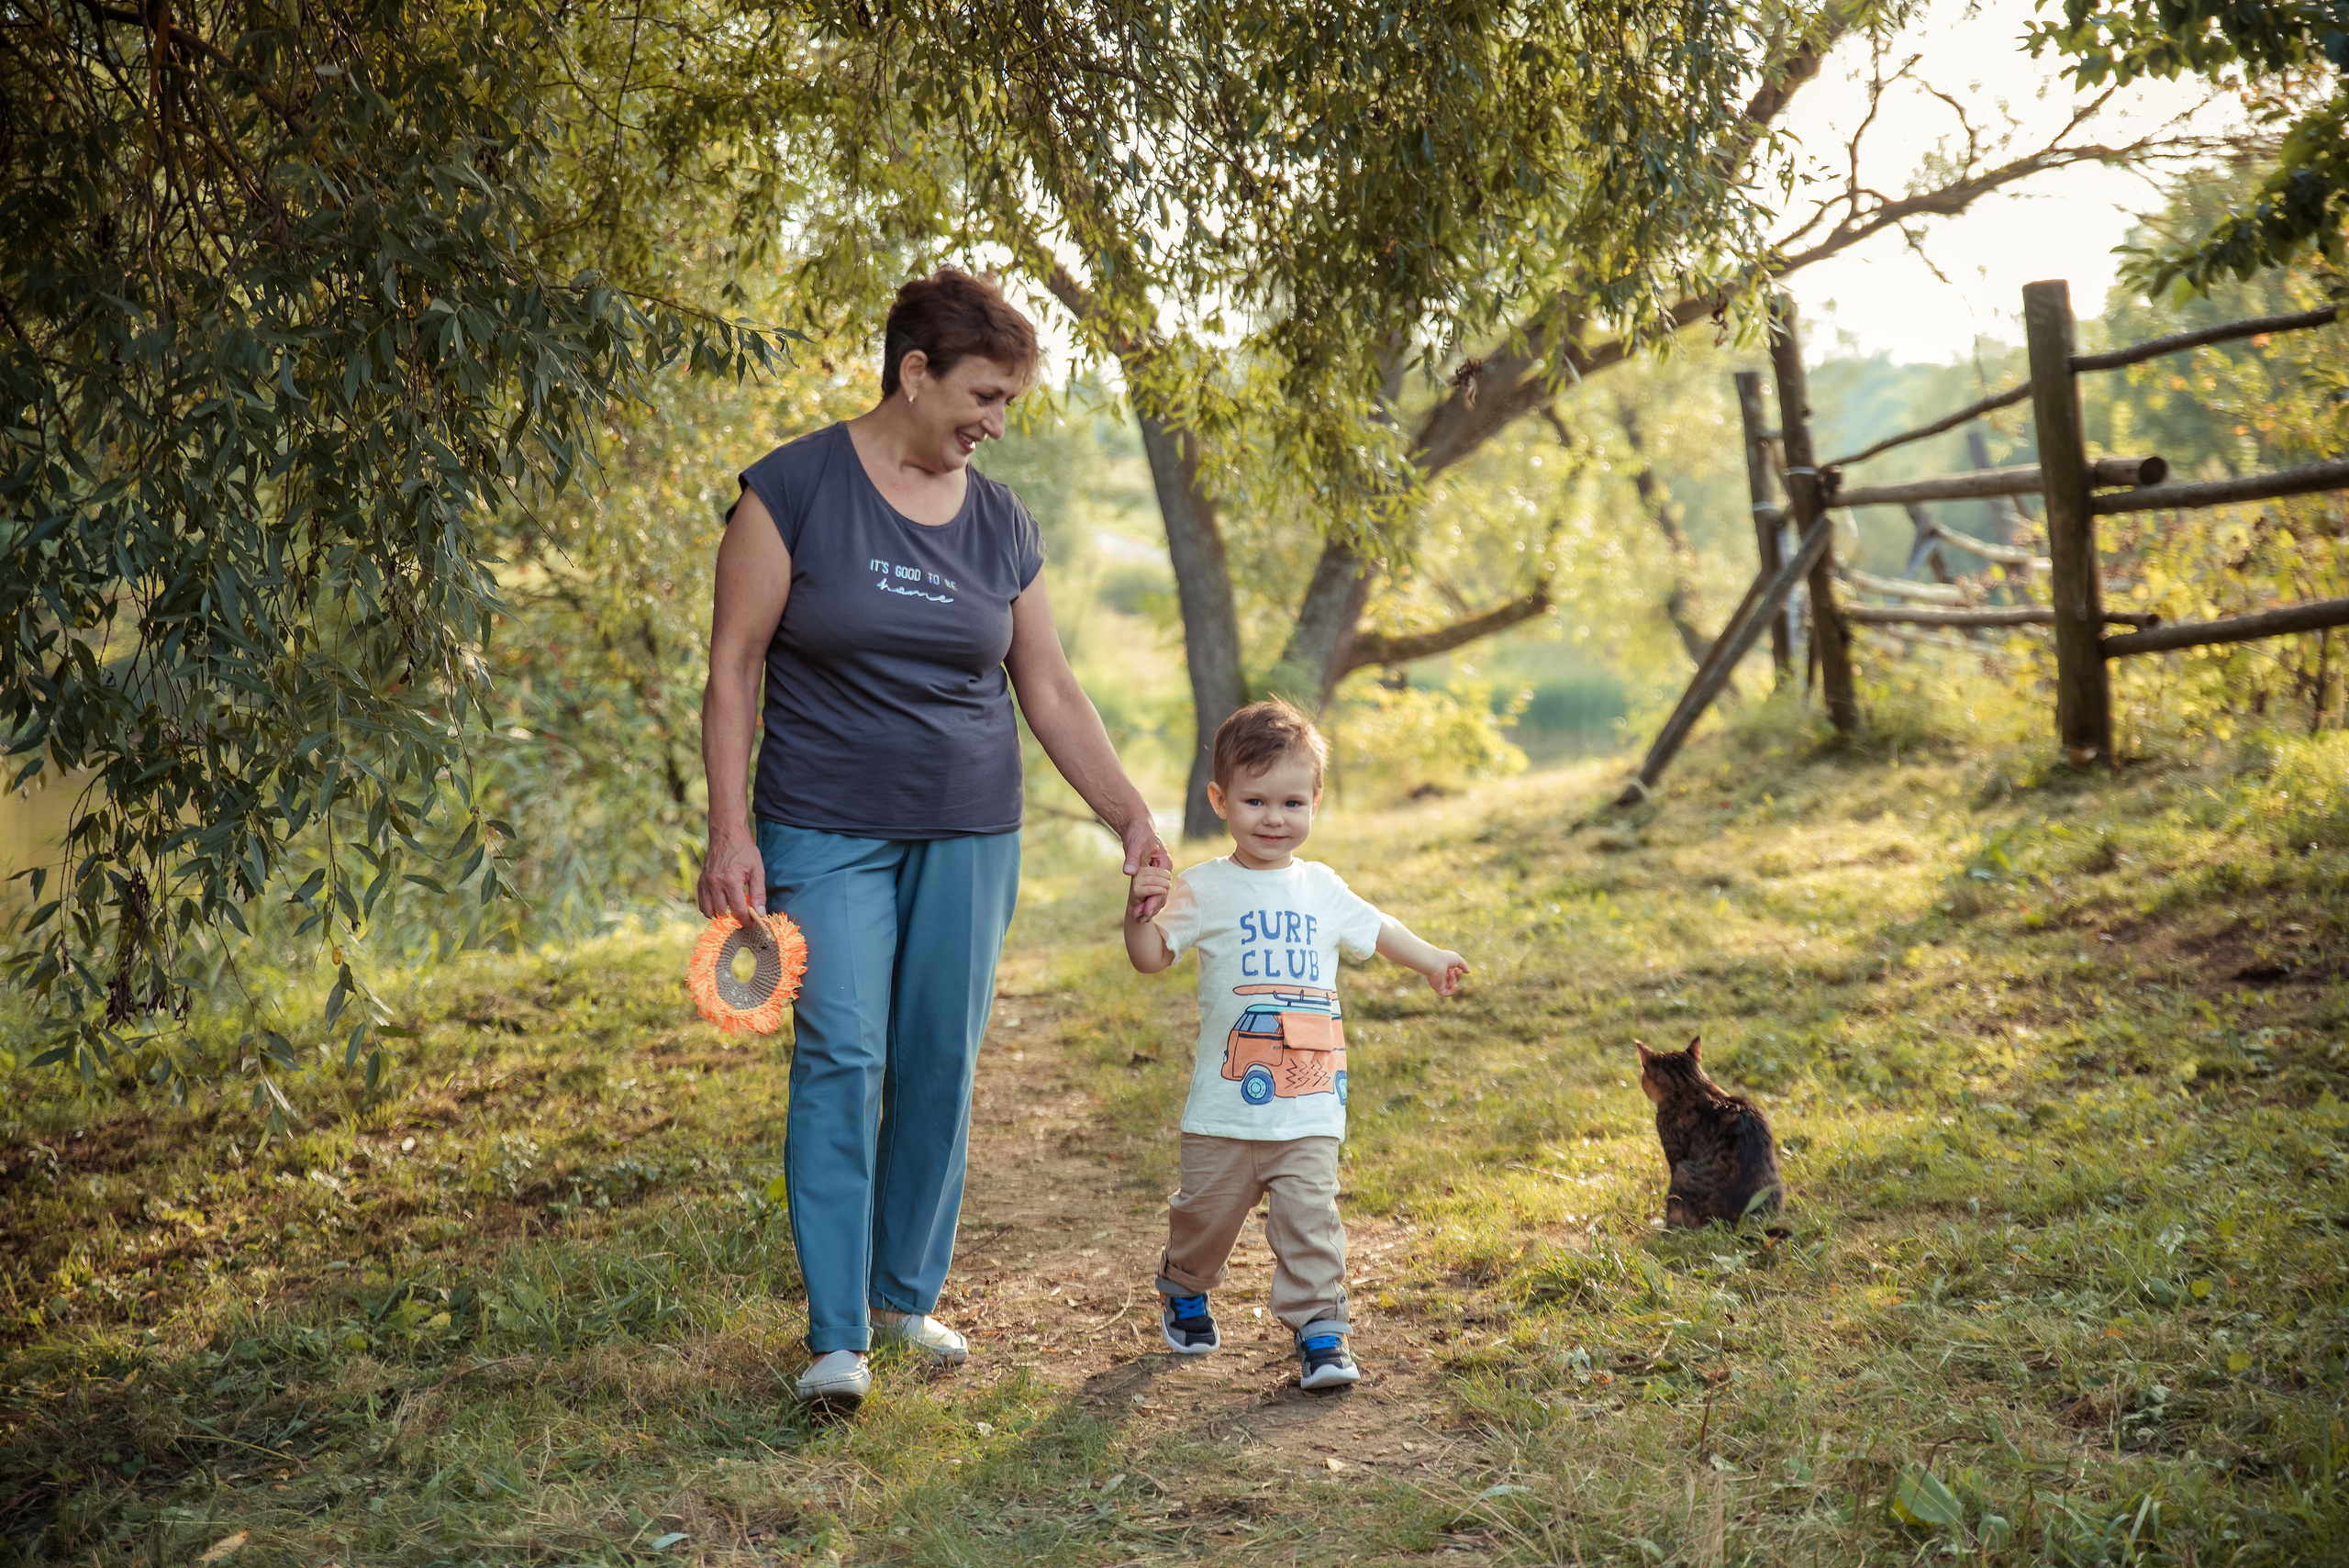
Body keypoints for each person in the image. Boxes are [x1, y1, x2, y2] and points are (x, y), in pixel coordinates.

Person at [698, 269, 1168, 1407]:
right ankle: (835, 1335)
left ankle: (905, 1298)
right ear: (914, 371)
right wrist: (727, 830)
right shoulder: (792, 490)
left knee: (940, 1059)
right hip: (822, 823)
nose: (995, 424)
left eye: (1008, 403)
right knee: (844, 1053)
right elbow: (733, 668)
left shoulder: (1001, 520)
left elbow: (1048, 688)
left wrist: (1132, 814)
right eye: (983, 395)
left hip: (968, 827)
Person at [1121, 699, 1467, 1389]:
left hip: (1308, 1104)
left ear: (1314, 802)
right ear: (1220, 800)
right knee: (1203, 1219)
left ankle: (1323, 1333)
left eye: (1290, 801)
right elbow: (1151, 957)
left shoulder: (1322, 888)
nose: (1273, 818)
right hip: (1224, 1111)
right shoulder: (1205, 887)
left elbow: (1377, 928)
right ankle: (1184, 1284)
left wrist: (1429, 957)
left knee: (1312, 1221)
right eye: (1254, 800)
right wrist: (1139, 912)